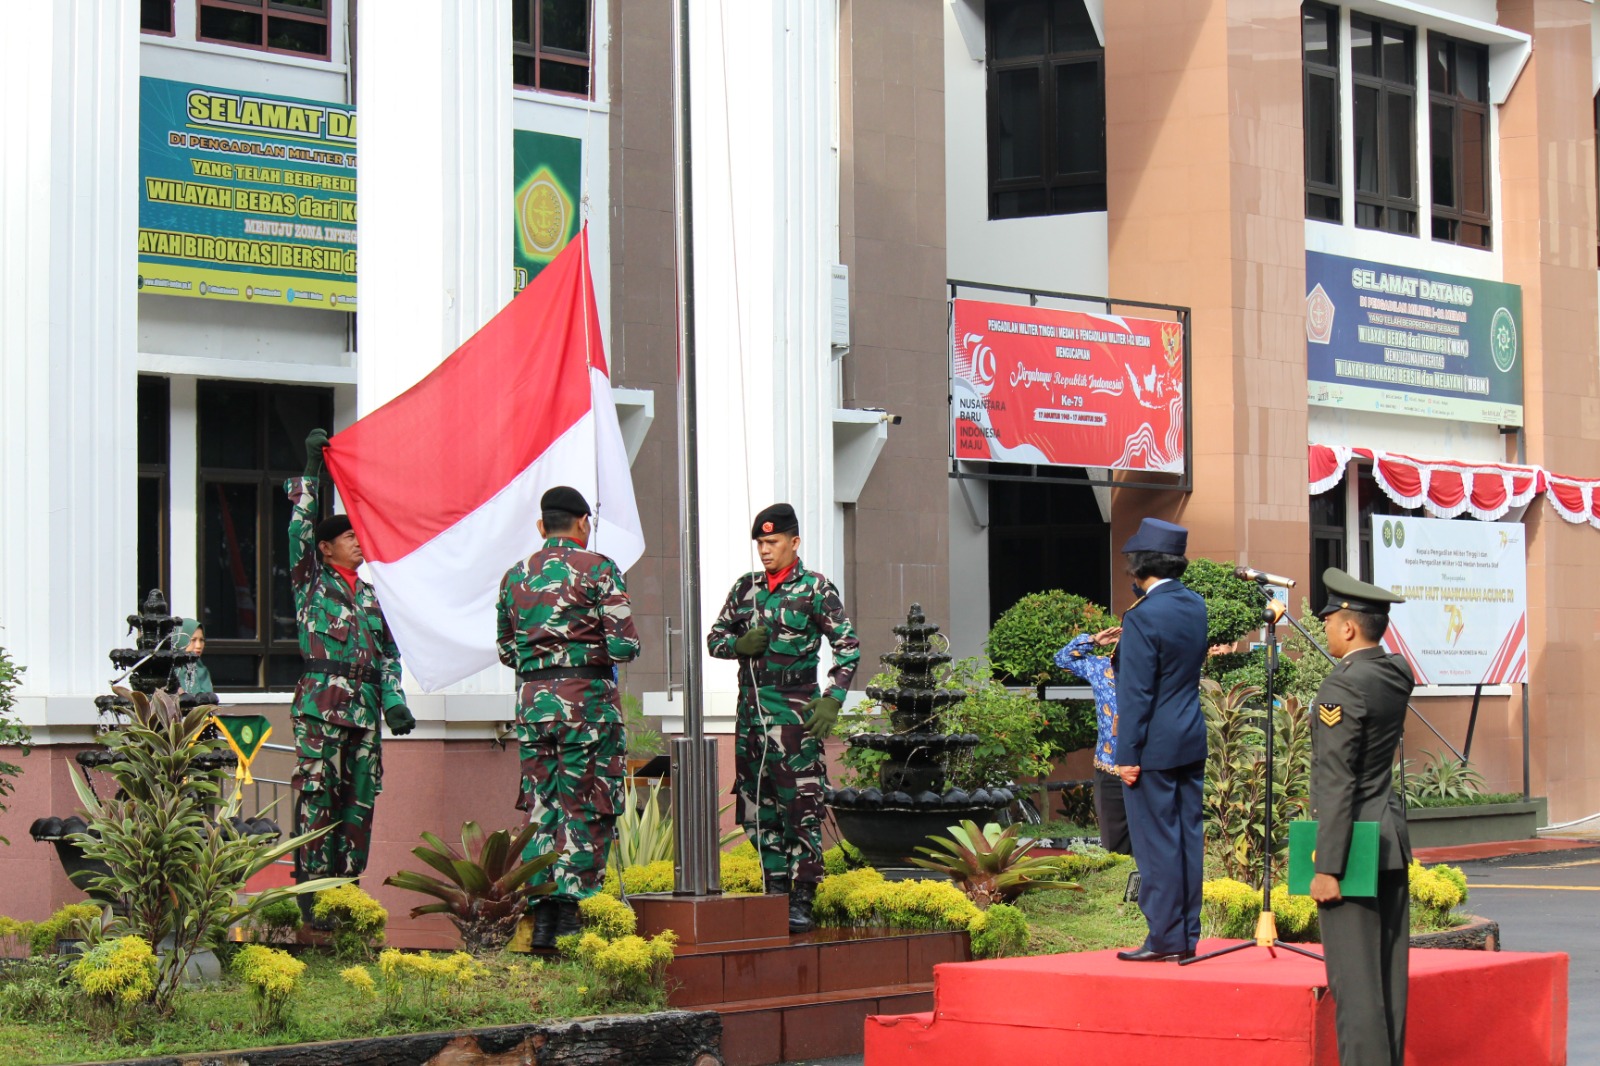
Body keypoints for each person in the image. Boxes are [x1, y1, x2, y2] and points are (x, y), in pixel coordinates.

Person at [498, 486, 640, 949]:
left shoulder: (513, 577)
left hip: (534, 706)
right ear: (583, 523)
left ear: (542, 527)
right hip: (587, 705)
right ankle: (572, 916)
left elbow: (505, 650)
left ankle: (541, 918)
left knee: (543, 809)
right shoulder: (598, 569)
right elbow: (625, 646)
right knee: (587, 804)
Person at [707, 503, 860, 934]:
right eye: (760, 542)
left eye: (772, 542)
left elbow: (848, 646)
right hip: (751, 716)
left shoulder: (815, 589)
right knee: (758, 808)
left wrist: (833, 698)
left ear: (794, 542)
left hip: (794, 714)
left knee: (800, 807)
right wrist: (738, 645)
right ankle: (774, 888)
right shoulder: (746, 589)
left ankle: (803, 896)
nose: (765, 550)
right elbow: (714, 639)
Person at [287, 428, 413, 901]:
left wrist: (395, 701)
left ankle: (347, 889)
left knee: (360, 801)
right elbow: (298, 531)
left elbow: (389, 655)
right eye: (347, 538)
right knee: (319, 797)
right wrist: (310, 473)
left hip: (364, 711)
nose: (357, 543)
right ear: (325, 548)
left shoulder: (370, 595)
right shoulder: (311, 583)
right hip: (321, 706)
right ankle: (312, 893)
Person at [1309, 568, 1412, 1066]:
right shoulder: (1394, 672)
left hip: (1352, 850)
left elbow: (1336, 779)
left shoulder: (1342, 687)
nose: (1325, 628)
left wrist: (1327, 866)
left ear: (1348, 627)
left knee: (1354, 985)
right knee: (1388, 979)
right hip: (1387, 837)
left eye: (1329, 620)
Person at [1112, 517, 1208, 962]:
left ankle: (1165, 937)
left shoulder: (1143, 616)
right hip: (1190, 735)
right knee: (1188, 839)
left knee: (1156, 844)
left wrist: (1125, 755)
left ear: (1139, 566)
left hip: (1151, 745)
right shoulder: (1195, 605)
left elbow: (1136, 693)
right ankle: (1186, 935)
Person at [1053, 625, 1129, 854]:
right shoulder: (1101, 666)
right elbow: (1062, 659)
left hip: (1149, 770)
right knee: (1114, 843)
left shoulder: (1158, 671)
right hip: (1109, 769)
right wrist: (1094, 640)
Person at [174, 618, 217, 703]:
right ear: (181, 640)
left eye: (201, 640)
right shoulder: (169, 672)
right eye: (193, 640)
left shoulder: (202, 670)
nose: (198, 646)